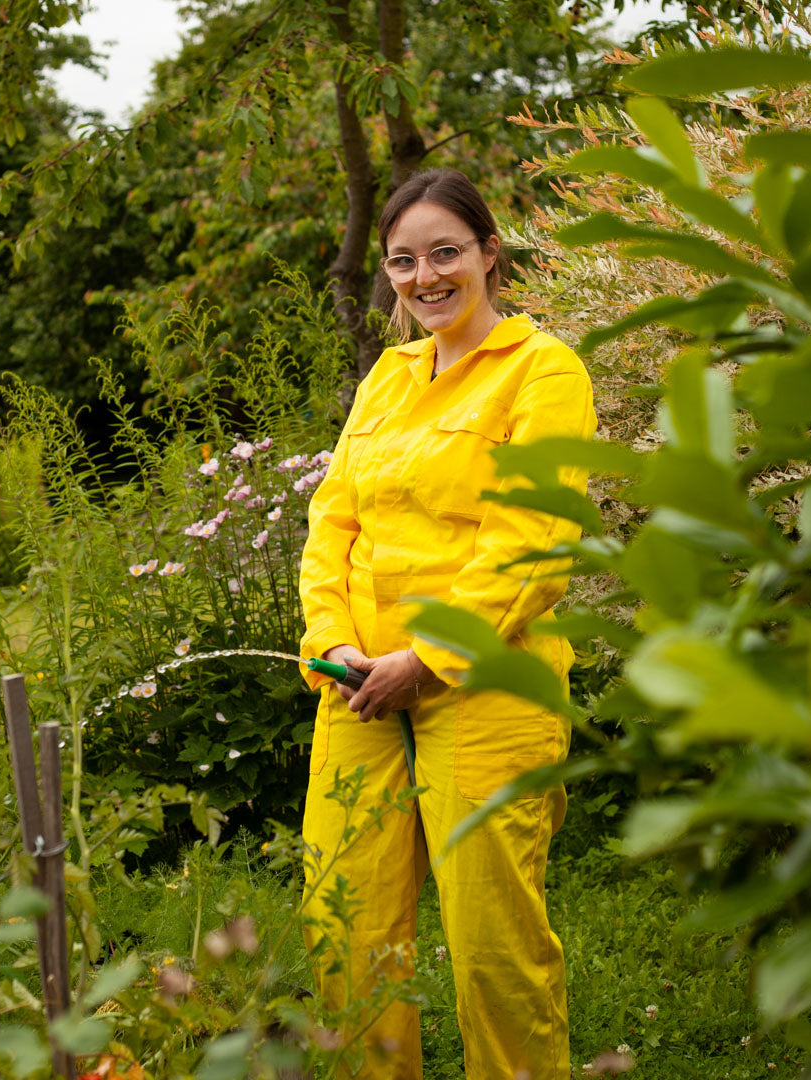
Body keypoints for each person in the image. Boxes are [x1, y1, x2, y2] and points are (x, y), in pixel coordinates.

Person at [297, 167, 596, 1079]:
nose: (425, 277)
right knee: (343, 922)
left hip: (486, 680)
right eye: (403, 261)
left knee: (492, 942)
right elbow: (332, 522)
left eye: (444, 253)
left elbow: (531, 541)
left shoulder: (543, 371)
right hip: (358, 682)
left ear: (489, 254)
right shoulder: (386, 379)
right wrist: (335, 646)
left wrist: (425, 659)